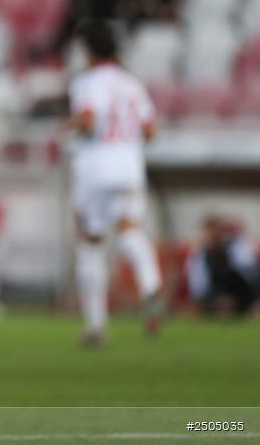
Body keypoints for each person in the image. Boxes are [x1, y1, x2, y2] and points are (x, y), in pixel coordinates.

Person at [67, 19, 163, 347]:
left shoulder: (87, 81)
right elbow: (151, 130)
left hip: (95, 168)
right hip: (129, 167)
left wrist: (67, 126)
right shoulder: (132, 84)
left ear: (89, 51)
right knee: (130, 230)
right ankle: (150, 284)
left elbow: (89, 120)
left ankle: (95, 326)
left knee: (91, 241)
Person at [187, 216, 259, 316]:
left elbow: (248, 272)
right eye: (207, 233)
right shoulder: (200, 254)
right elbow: (198, 284)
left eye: (214, 231)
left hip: (240, 293)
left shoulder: (234, 247)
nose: (210, 236)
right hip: (214, 295)